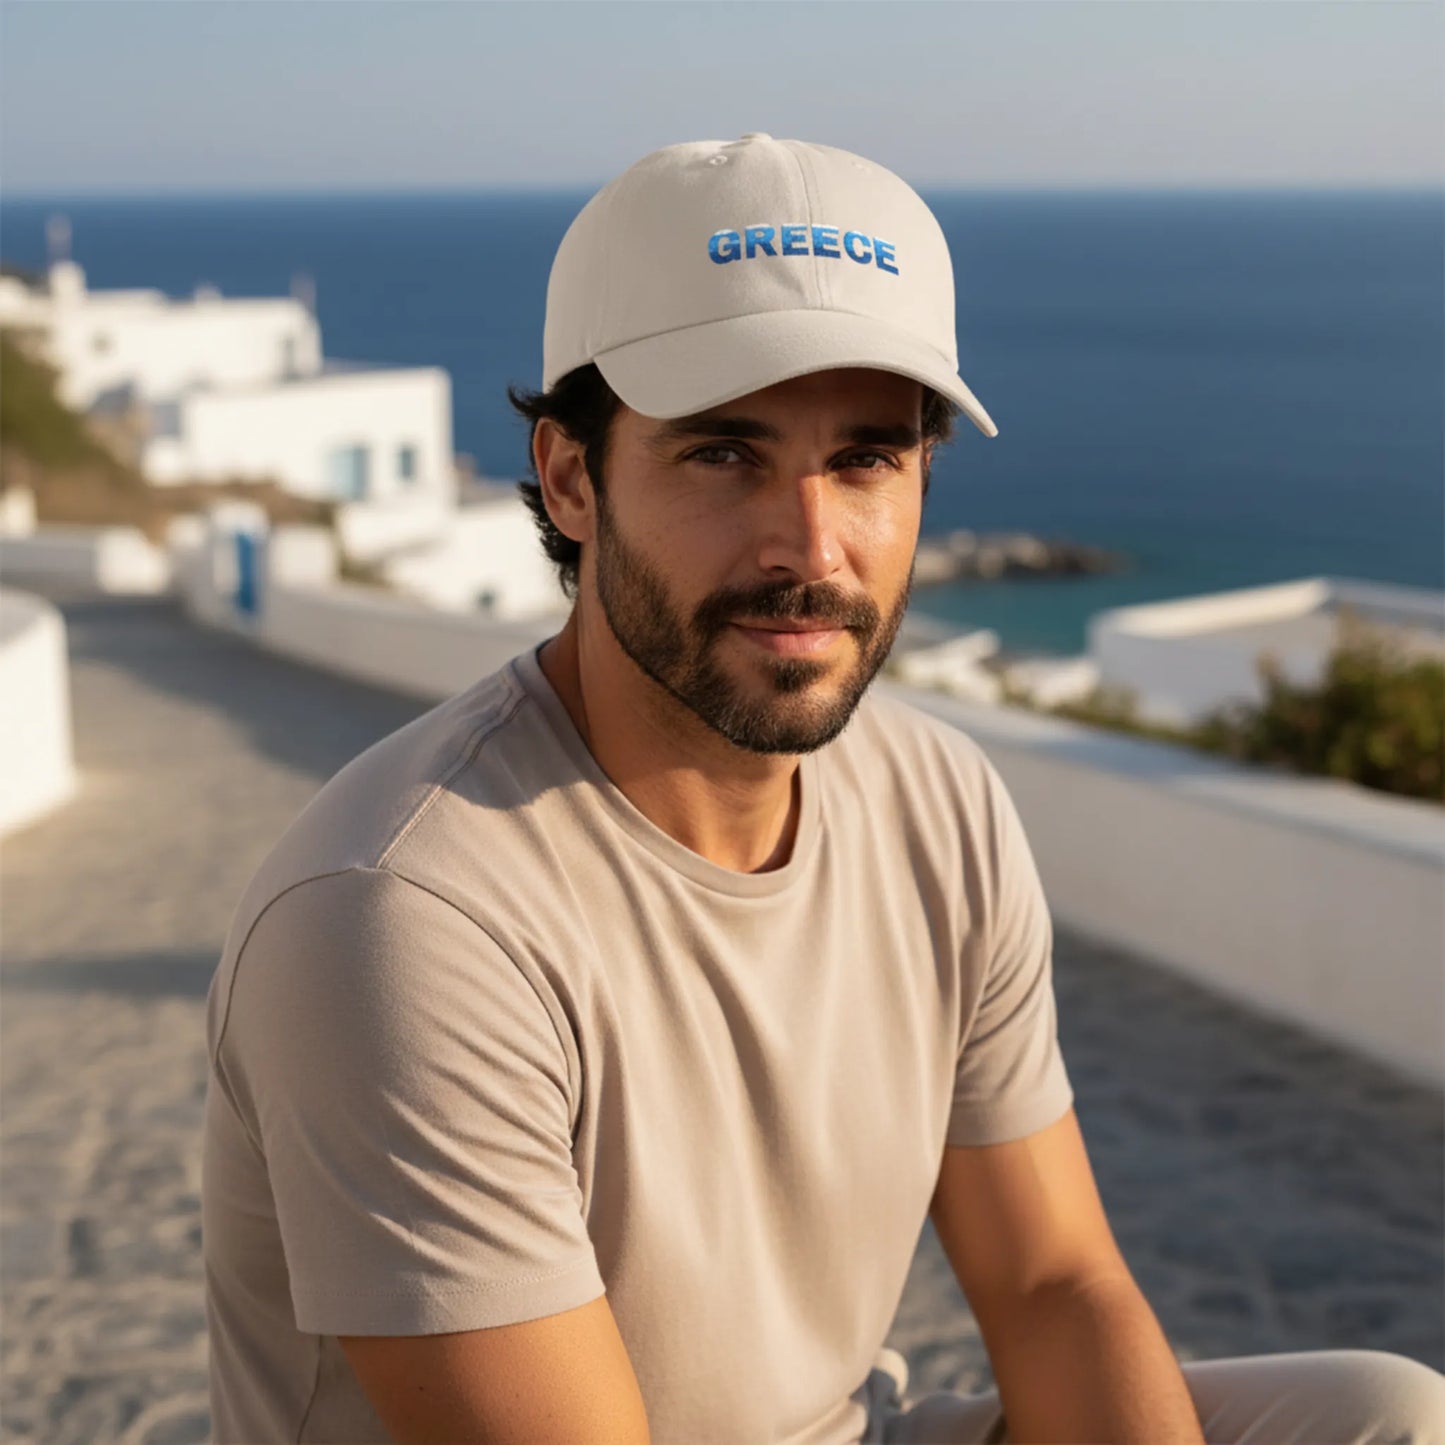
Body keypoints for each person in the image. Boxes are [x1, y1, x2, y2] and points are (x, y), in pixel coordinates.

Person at [200, 134, 1445, 1444]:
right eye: (724, 455)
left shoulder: (934, 800)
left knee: (1379, 1413)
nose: (809, 547)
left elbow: (1051, 1282)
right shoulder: (401, 915)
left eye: (865, 459)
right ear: (572, 476)